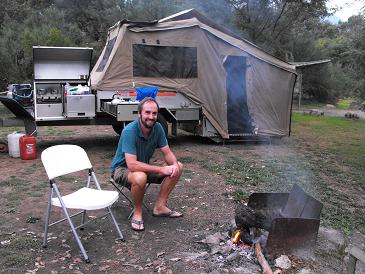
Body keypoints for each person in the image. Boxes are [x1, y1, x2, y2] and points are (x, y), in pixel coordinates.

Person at [111, 97, 183, 231]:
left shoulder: (158, 128)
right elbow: (132, 165)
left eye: (154, 113)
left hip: (143, 165)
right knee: (140, 176)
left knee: (178, 166)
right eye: (147, 113)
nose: (151, 117)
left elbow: (167, 153)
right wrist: (162, 170)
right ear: (139, 114)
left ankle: (160, 207)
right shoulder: (129, 131)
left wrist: (173, 165)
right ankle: (138, 212)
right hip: (122, 169)